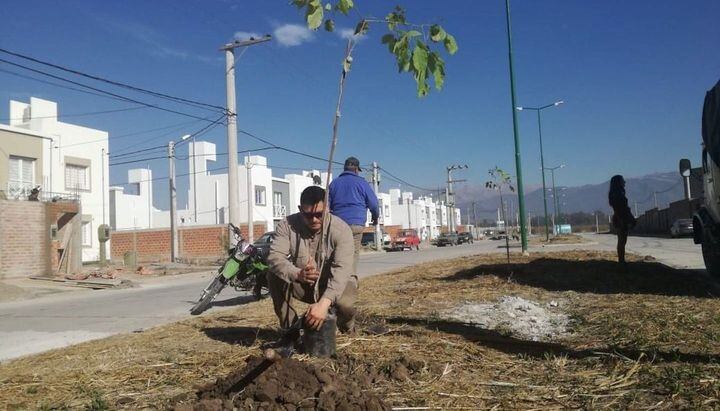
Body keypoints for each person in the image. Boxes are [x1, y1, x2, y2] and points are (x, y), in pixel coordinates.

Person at [267, 185, 357, 333]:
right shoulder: (286, 226)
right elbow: (275, 257)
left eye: (319, 214)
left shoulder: (341, 230)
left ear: (327, 208)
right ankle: (290, 330)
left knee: (345, 304)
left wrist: (323, 304)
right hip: (303, 284)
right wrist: (297, 274)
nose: (314, 219)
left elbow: (342, 271)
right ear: (300, 209)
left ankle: (347, 328)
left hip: (333, 285)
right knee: (273, 275)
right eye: (308, 215)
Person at [328, 157, 380, 276]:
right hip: (356, 225)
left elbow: (327, 205)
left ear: (345, 168)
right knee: (353, 253)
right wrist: (375, 217)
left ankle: (335, 279)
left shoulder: (334, 183)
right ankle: (349, 281)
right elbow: (374, 204)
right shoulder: (362, 183)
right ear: (356, 169)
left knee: (337, 253)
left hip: (337, 225)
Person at [608, 175, 636, 264]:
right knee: (622, 241)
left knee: (622, 241)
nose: (625, 182)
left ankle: (621, 260)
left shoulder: (615, 193)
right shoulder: (618, 194)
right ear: (618, 182)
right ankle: (621, 261)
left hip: (619, 218)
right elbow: (622, 208)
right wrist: (624, 220)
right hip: (621, 218)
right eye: (623, 180)